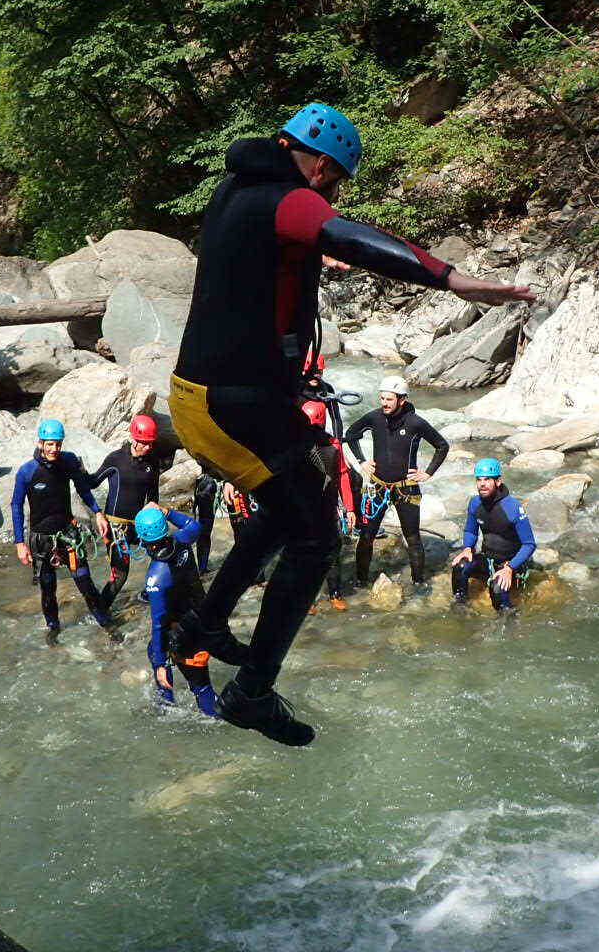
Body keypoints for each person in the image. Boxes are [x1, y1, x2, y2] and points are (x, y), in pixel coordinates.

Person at [169, 101, 534, 746]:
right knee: (314, 537)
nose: (332, 193)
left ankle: (202, 626)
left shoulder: (236, 189)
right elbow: (350, 235)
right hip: (232, 403)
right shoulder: (288, 196)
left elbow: (260, 270)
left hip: (214, 393)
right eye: (334, 181)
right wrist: (453, 279)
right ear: (316, 162)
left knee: (293, 507)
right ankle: (251, 690)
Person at [11, 419, 114, 639]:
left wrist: (97, 512)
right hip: (41, 539)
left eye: (58, 444)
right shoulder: (27, 472)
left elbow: (83, 489)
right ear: (40, 442)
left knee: (85, 582)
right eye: (49, 444)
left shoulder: (67, 462)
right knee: (48, 589)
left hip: (68, 536)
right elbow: (16, 506)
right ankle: (53, 629)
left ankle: (105, 623)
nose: (54, 449)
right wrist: (20, 543)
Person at [345, 375, 450, 588]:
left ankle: (418, 583)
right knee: (366, 536)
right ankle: (361, 581)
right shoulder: (375, 418)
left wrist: (428, 473)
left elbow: (442, 445)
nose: (384, 403)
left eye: (389, 399)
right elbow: (350, 434)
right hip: (378, 487)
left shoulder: (415, 422)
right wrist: (362, 461)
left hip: (406, 488)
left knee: (412, 537)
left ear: (402, 399)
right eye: (382, 398)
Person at [137, 504, 219, 717]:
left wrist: (160, 664)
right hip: (202, 618)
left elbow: (158, 623)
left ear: (144, 540)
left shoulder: (155, 577)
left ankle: (167, 706)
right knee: (153, 650)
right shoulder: (182, 541)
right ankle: (166, 702)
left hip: (185, 632)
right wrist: (167, 511)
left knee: (200, 686)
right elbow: (194, 525)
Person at [93, 414, 170, 608]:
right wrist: (97, 513)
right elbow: (92, 483)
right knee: (120, 575)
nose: (148, 447)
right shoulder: (116, 459)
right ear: (134, 439)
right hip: (115, 526)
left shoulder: (152, 463)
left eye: (151, 443)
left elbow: (153, 497)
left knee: (165, 551)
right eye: (144, 443)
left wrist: (155, 511)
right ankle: (101, 610)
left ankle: (150, 591)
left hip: (138, 524)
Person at [449, 458, 536, 613]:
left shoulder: (513, 507)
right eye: (479, 480)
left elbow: (529, 544)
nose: (482, 484)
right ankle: (460, 608)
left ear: (498, 482)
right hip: (488, 559)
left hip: (511, 563)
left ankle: (508, 619)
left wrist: (510, 568)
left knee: (497, 587)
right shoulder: (475, 503)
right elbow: (470, 530)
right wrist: (467, 548)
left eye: (487, 479)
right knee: (460, 566)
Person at [303, 398, 358, 611]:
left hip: (327, 506)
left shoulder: (333, 445)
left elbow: (343, 476)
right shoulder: (296, 444)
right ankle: (307, 598)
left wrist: (350, 508)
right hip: (305, 506)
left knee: (332, 552)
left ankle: (334, 593)